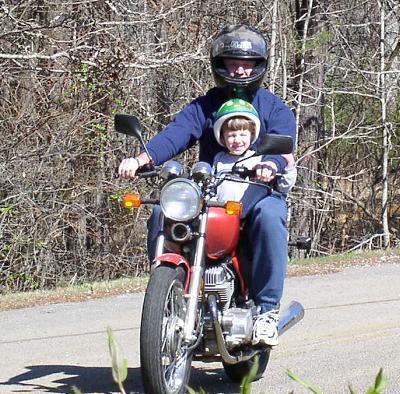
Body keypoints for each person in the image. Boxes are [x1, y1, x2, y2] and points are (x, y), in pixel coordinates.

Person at [118, 24, 296, 347]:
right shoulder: (205, 106)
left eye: (247, 64)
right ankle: (168, 288)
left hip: (257, 193)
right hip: (213, 193)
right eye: (232, 63)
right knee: (162, 211)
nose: (239, 70)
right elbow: (176, 134)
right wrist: (142, 158)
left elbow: (285, 148)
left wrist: (271, 164)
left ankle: (267, 311)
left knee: (271, 216)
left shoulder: (274, 108)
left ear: (259, 66)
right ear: (220, 64)